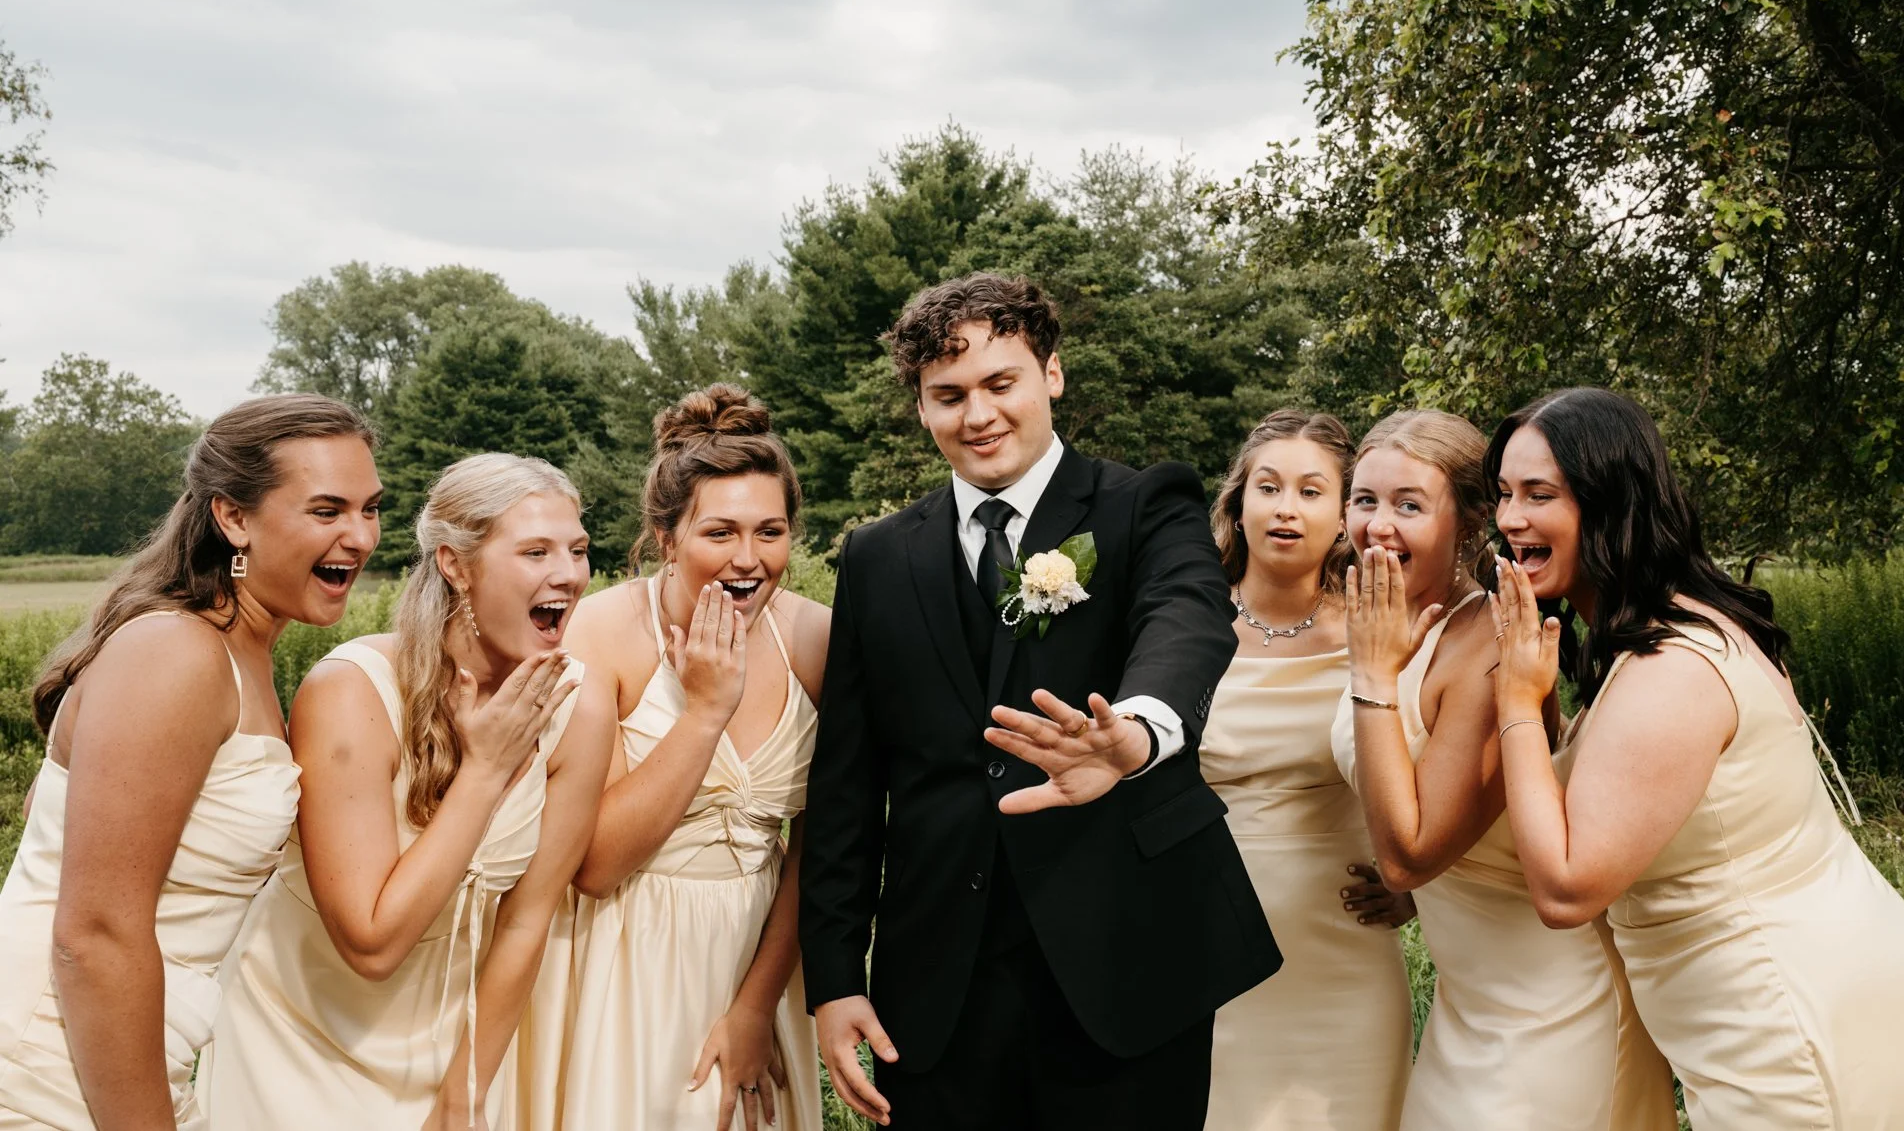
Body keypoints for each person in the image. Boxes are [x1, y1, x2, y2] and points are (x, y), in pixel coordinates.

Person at [800, 273, 1280, 1131]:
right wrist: (835, 977)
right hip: (940, 985)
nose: (976, 414)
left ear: (1051, 374)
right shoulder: (875, 556)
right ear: (920, 406)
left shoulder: (1146, 504)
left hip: (1127, 964)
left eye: (999, 383)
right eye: (947, 394)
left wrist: (1134, 734)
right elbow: (846, 784)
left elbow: (1188, 623)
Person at [1487, 387, 1904, 1129]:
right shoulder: (1665, 625)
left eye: (1539, 494)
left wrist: (1517, 702)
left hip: (1795, 1028)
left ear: (1611, 501)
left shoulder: (1672, 670)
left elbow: (1565, 888)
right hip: (1814, 997)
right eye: (1502, 493)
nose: (1510, 517)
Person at [200, 453, 615, 1131]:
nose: (568, 573)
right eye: (535, 550)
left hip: (456, 1051)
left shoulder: (580, 704)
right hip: (300, 1045)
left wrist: (468, 1089)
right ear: (455, 564)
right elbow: (371, 943)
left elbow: (528, 918)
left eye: (577, 549)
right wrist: (484, 772)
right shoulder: (350, 691)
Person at [0, 394, 381, 1130]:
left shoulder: (242, 656)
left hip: (131, 1056)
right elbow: (95, 932)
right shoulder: (175, 652)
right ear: (232, 517)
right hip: (48, 1065)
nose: (360, 536)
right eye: (327, 509)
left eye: (370, 508)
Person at [1331, 409, 1674, 1130]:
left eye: (1409, 505)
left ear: (1469, 523)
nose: (1377, 526)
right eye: (1364, 500)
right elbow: (1455, 818)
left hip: (1548, 1012)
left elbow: (1408, 854)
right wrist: (1432, 894)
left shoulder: (1490, 640)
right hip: (1467, 1003)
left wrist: (1370, 675)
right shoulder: (1390, 624)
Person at [518, 385, 825, 1131]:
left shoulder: (817, 638)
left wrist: (755, 1005)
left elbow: (822, 847)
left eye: (771, 531)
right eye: (719, 532)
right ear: (665, 538)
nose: (748, 560)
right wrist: (706, 713)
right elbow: (592, 864)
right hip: (618, 952)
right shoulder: (601, 635)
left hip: (757, 954)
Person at [1200, 409, 1413, 1131]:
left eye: (1312, 490)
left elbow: (1448, 771)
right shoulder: (1180, 627)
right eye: (1269, 486)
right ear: (1239, 502)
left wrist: (1425, 882)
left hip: (1345, 963)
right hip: (1204, 952)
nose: (1286, 507)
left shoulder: (1381, 627)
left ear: (1346, 514)